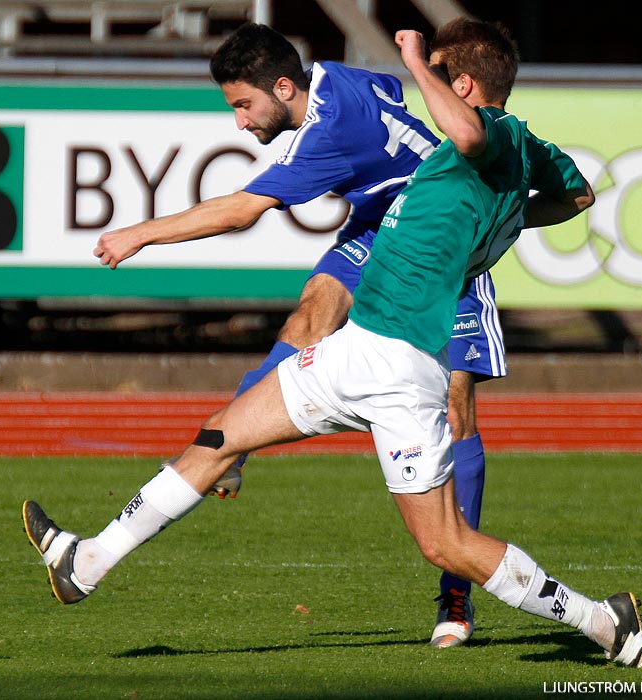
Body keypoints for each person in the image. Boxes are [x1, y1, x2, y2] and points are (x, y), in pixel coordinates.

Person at [27, 18, 642, 668]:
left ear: (465, 84)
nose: (428, 94)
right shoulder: (521, 157)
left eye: (441, 81)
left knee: (445, 545)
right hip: (354, 351)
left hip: (398, 367)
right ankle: (89, 561)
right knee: (220, 436)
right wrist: (502, 210)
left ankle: (601, 622)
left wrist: (416, 58)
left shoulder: (492, 133)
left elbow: (471, 130)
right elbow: (577, 194)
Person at [92, 22, 500, 647]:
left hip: (445, 239)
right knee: (310, 311)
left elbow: (239, 211)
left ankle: (456, 596)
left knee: (456, 405)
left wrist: (140, 233)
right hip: (378, 225)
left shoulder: (327, 134)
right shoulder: (339, 77)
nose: (240, 122)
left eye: (243, 104)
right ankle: (234, 447)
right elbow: (389, 87)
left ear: (284, 86)